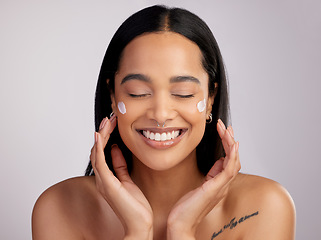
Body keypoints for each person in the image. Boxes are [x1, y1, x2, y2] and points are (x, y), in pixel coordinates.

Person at [32, 5, 295, 240]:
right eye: (137, 92)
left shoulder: (265, 206)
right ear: (113, 97)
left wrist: (182, 231)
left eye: (183, 93)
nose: (160, 114)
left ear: (211, 98)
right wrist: (137, 232)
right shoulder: (60, 207)